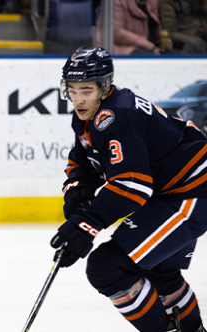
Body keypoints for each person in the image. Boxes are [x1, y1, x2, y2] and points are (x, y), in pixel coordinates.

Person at [51, 46, 207, 332]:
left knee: (108, 267)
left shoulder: (118, 115)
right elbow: (83, 161)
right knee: (159, 272)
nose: (78, 99)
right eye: (72, 90)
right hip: (172, 192)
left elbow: (133, 185)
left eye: (86, 90)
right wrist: (78, 192)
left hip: (189, 193)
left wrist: (89, 223)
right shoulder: (92, 115)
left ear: (104, 86)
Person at [95, 0, 169, 54]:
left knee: (175, 53)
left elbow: (154, 27)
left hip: (151, 48)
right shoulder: (116, 2)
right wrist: (150, 46)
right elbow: (115, 32)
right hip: (124, 50)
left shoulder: (152, 2)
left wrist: (162, 41)